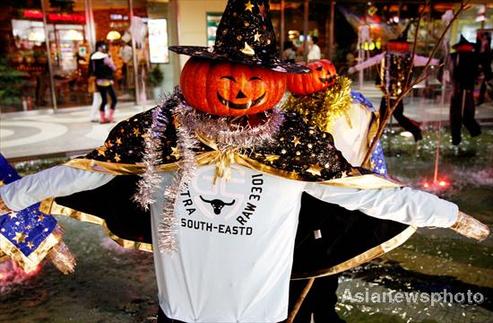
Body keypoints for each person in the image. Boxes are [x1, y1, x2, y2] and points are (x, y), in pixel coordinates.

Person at [0, 2, 489, 322]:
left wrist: (448, 215)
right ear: (201, 73)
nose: (238, 91)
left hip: (261, 315)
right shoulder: (161, 134)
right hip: (182, 313)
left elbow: (368, 192)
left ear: (272, 82)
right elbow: (83, 170)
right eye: (226, 76)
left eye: (254, 78)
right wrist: (9, 197)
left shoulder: (294, 146)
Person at [348, 27, 438, 142]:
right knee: (388, 115)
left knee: (391, 116)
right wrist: (355, 68)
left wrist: (438, 62)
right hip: (387, 92)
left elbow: (425, 60)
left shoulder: (409, 57)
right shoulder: (387, 56)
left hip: (397, 94)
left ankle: (412, 131)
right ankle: (378, 136)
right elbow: (371, 62)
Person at [447, 35, 482, 146]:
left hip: (460, 91)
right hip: (464, 91)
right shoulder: (473, 57)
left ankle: (459, 139)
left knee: (458, 117)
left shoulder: (455, 57)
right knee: (465, 116)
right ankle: (471, 135)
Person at [89, 40, 117, 124]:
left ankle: (103, 118)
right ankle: (108, 117)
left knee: (103, 100)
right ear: (99, 47)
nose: (103, 48)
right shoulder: (105, 57)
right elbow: (113, 68)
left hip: (99, 81)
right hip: (106, 81)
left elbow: (92, 70)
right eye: (102, 46)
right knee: (113, 99)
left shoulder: (93, 57)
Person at [477, 31, 492, 106]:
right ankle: (481, 99)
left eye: (486, 40)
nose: (484, 41)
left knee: (485, 85)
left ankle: (481, 99)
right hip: (480, 70)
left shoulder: (489, 51)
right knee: (483, 86)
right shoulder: (479, 49)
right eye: (483, 39)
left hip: (486, 70)